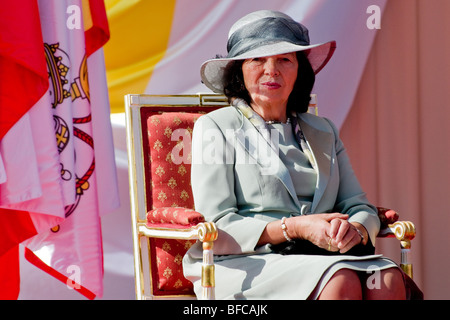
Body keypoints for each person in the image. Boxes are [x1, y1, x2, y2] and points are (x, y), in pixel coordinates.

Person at [183, 10, 406, 300]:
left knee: (387, 279)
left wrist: (356, 228)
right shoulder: (215, 127)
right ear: (239, 70)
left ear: (299, 69)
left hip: (322, 256)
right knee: (341, 282)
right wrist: (296, 228)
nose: (271, 70)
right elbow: (217, 223)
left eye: (284, 60)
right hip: (245, 263)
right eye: (257, 59)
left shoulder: (324, 130)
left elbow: (357, 204)